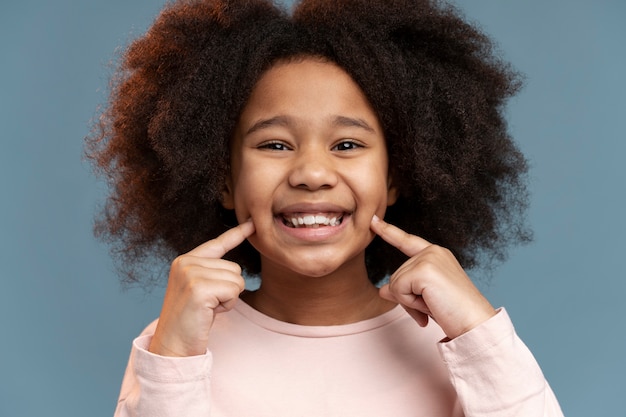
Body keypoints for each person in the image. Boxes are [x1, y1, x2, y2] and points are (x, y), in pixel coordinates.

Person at [87, 0, 564, 415]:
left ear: (396, 177)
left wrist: (480, 334)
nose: (312, 173)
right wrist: (172, 358)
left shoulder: (462, 346)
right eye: (274, 145)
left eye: (348, 144)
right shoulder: (174, 346)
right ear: (223, 183)